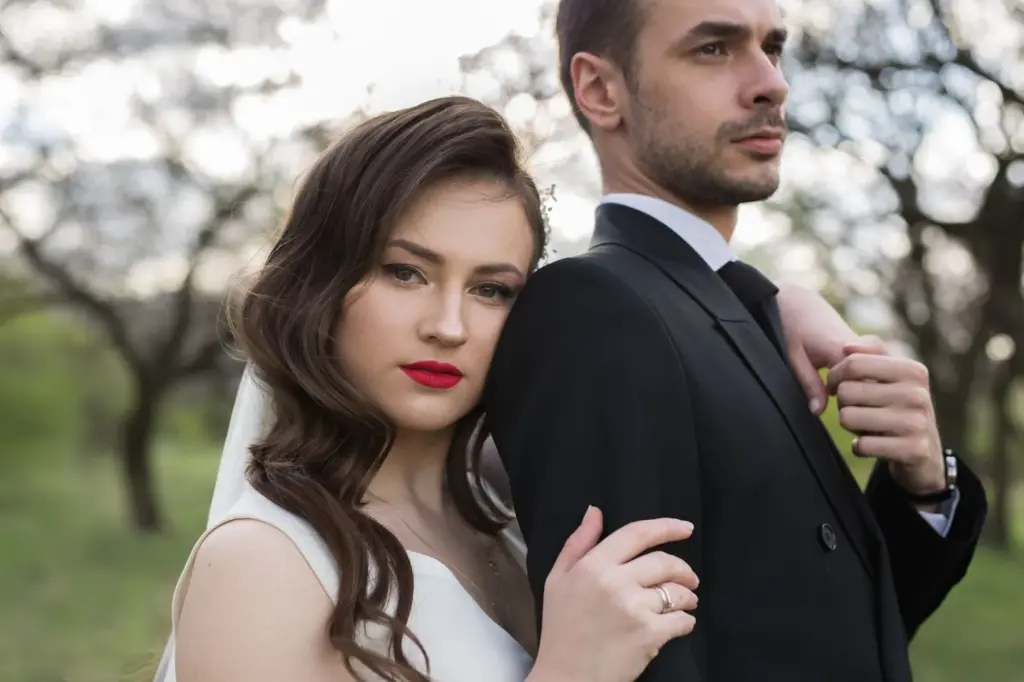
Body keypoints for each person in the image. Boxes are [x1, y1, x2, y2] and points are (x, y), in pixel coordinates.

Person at [153, 97, 915, 682]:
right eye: (405, 272)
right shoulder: (262, 564)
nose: (448, 325)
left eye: (491, 289)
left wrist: (769, 306)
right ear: (322, 283)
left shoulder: (517, 534)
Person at [483, 2, 988, 682]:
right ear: (602, 90)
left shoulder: (753, 313)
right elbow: (643, 662)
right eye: (714, 49)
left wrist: (923, 485)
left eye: (772, 48)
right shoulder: (595, 308)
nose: (771, 83)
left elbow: (843, 630)